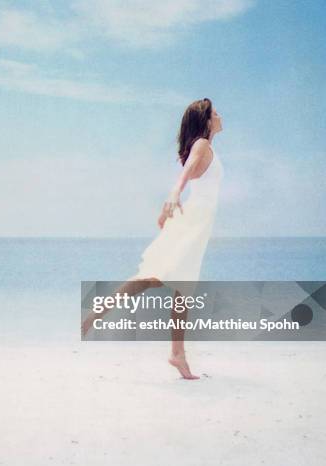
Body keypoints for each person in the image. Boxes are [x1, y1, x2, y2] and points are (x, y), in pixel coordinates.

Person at [81, 98, 224, 380]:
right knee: (155, 278)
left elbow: (194, 171)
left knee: (182, 286)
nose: (220, 117)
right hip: (193, 222)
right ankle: (94, 316)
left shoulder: (207, 147)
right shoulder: (203, 145)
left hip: (195, 222)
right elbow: (187, 170)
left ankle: (177, 354)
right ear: (206, 121)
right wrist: (173, 194)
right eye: (215, 113)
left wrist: (167, 207)